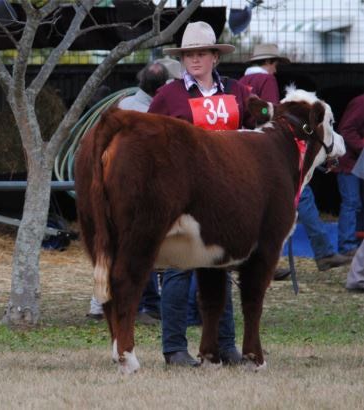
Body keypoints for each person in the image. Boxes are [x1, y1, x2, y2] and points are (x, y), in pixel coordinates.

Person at [147, 21, 248, 367]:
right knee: (178, 269)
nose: (194, 59)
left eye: (201, 53)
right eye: (189, 54)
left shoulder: (237, 92)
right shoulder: (168, 96)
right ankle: (174, 348)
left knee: (220, 267)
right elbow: (149, 142)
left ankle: (226, 345)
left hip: (225, 197)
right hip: (181, 197)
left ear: (215, 56)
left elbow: (252, 135)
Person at [239, 44, 351, 278]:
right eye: (275, 64)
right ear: (270, 62)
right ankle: (323, 252)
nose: (276, 69)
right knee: (302, 195)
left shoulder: (242, 82)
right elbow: (274, 116)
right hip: (272, 151)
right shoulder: (267, 80)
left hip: (248, 149)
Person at [89, 62, 172, 325]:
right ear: (162, 87)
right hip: (137, 188)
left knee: (111, 243)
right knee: (139, 246)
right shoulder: (155, 113)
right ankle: (146, 305)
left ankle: (99, 303)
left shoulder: (123, 107)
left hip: (111, 184)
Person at [340, 93, 364, 292]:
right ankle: (347, 247)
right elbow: (346, 130)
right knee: (351, 203)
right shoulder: (360, 103)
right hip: (349, 163)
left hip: (357, 161)